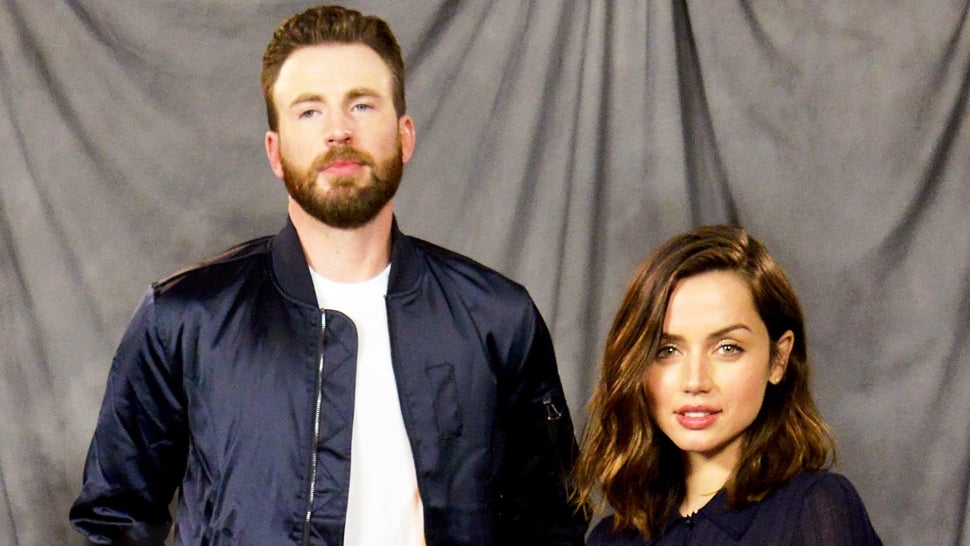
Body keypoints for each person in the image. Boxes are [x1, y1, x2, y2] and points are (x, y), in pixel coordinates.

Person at [70, 5, 588, 545]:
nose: (339, 131)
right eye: (309, 111)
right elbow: (114, 519)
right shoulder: (186, 319)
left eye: (361, 105)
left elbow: (551, 524)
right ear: (275, 152)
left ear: (405, 136)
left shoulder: (495, 319)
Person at [575, 225, 882, 545]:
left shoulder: (815, 509)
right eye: (667, 350)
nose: (695, 381)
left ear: (778, 360)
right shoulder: (611, 539)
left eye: (727, 348)